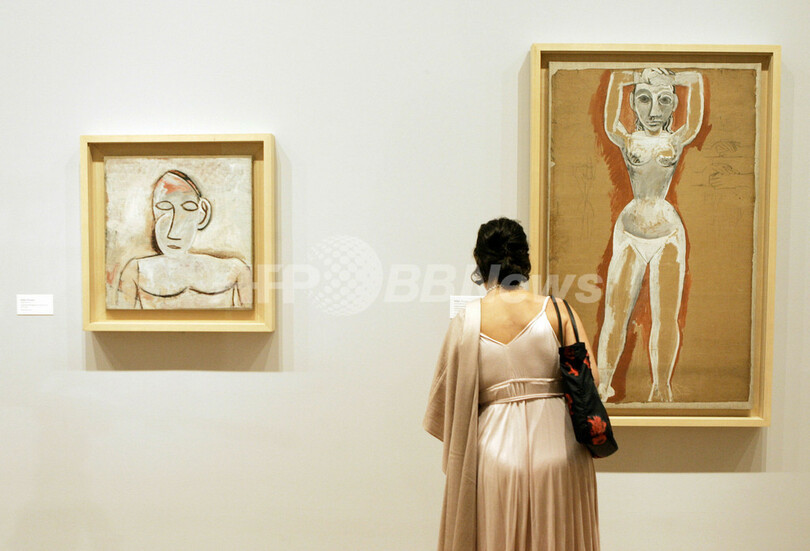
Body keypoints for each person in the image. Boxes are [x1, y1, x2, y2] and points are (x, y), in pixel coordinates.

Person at [424, 218, 600, 551]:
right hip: (560, 450)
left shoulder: (466, 321)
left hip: (494, 454)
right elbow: (592, 379)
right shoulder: (558, 311)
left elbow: (445, 405)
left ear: (479, 261)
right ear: (524, 258)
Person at [598, 68, 704, 402]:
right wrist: (633, 74)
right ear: (633, 102)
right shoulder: (627, 139)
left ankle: (661, 388)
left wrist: (672, 76)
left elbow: (696, 84)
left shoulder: (675, 140)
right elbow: (611, 113)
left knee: (666, 316)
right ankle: (602, 384)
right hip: (631, 232)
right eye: (644, 99)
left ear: (674, 105)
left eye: (664, 101)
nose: (654, 110)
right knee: (616, 314)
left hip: (667, 233)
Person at [116, 169, 253, 309]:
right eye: (164, 207)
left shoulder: (237, 271)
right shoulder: (136, 271)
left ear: (203, 213)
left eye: (188, 208)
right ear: (154, 212)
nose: (174, 229)